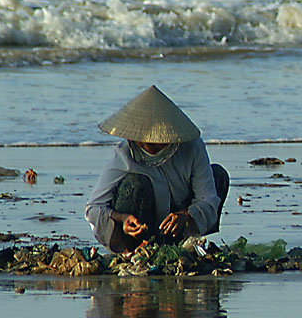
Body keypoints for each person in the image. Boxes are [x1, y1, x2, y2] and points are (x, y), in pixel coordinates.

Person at [85, 85, 228, 255]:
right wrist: (122, 218)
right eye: (142, 141)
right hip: (141, 229)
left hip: (179, 227)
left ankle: (187, 245)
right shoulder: (123, 154)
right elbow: (93, 208)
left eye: (154, 142)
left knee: (218, 175)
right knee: (135, 183)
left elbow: (208, 199)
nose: (147, 146)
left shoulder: (192, 148)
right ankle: (132, 250)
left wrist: (186, 215)